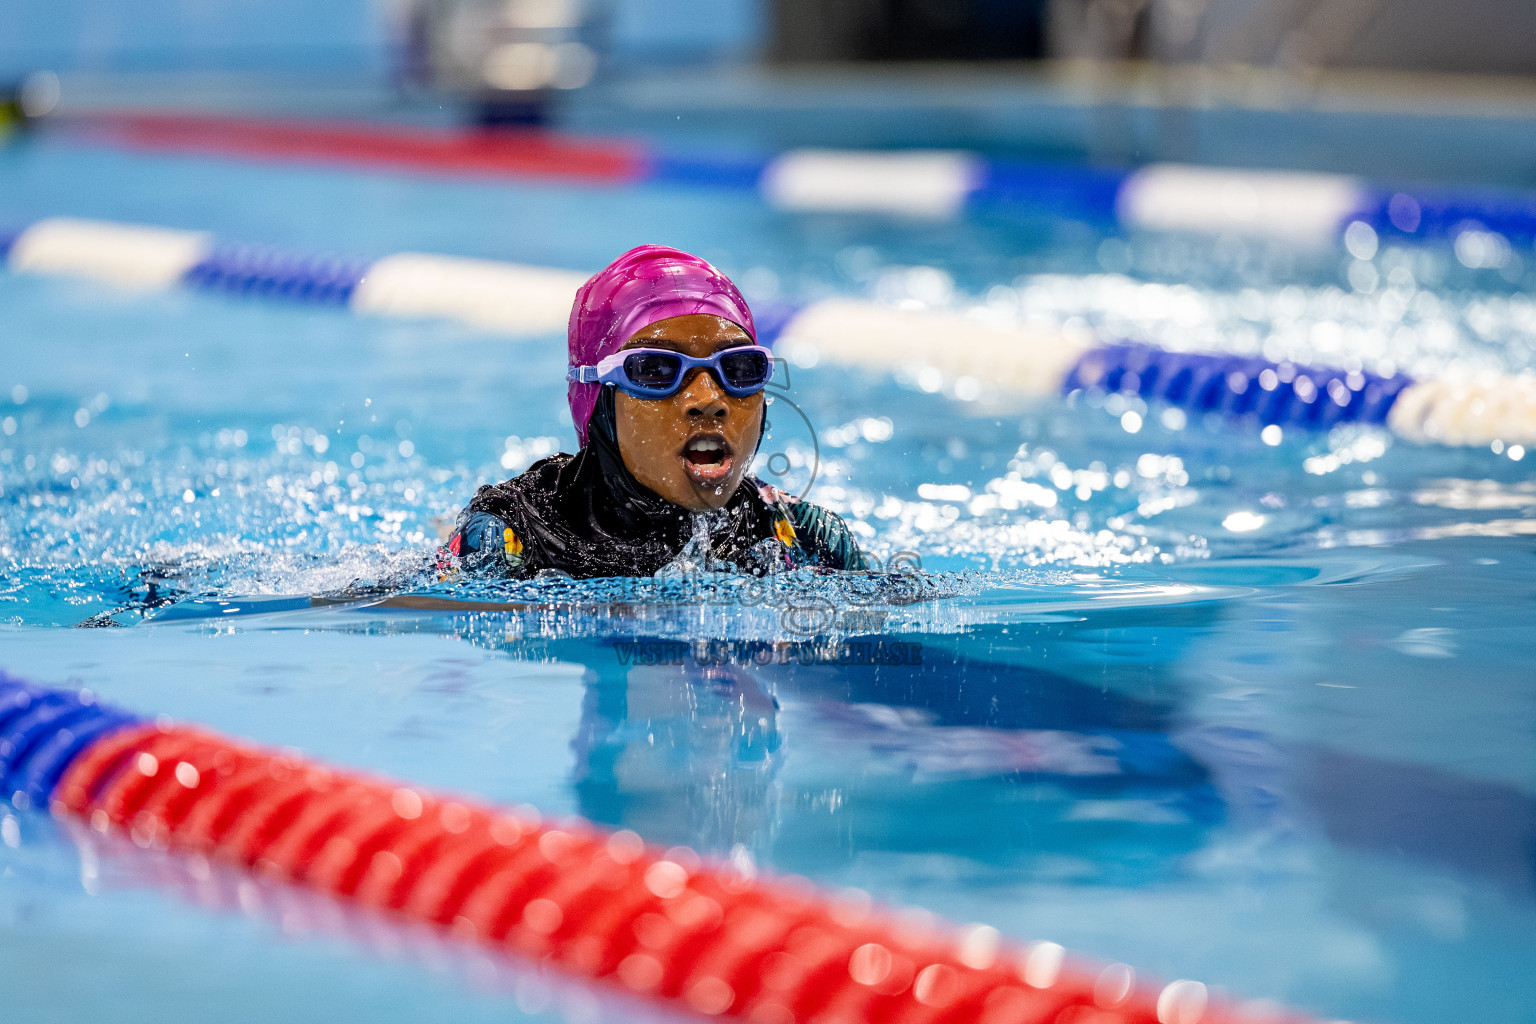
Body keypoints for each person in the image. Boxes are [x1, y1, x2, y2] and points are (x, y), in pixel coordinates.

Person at [444, 244, 868, 579]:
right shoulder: (521, 530)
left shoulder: (802, 538)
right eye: (656, 369)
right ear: (597, 399)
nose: (708, 399)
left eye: (739, 368)